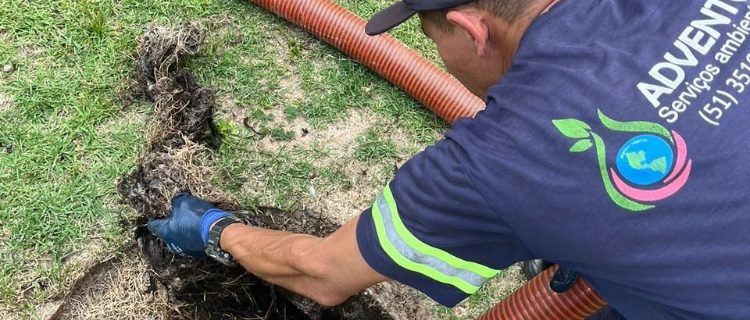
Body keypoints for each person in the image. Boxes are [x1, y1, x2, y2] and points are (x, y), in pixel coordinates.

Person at [147, 0, 750, 318]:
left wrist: (214, 229)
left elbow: (320, 274)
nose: (440, 56)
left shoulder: (499, 160)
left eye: (432, 39)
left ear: (470, 28)